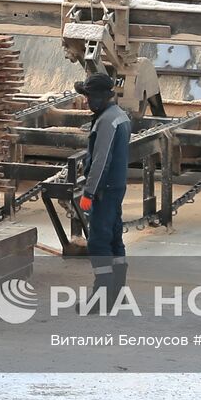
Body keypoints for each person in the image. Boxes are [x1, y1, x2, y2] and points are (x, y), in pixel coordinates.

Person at [75, 73, 131, 303]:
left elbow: (101, 160)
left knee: (98, 241)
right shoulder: (120, 115)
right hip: (116, 186)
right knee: (114, 238)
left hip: (104, 190)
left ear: (99, 98)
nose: (86, 101)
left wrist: (89, 192)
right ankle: (118, 294)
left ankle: (102, 297)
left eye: (88, 96)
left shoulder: (107, 121)